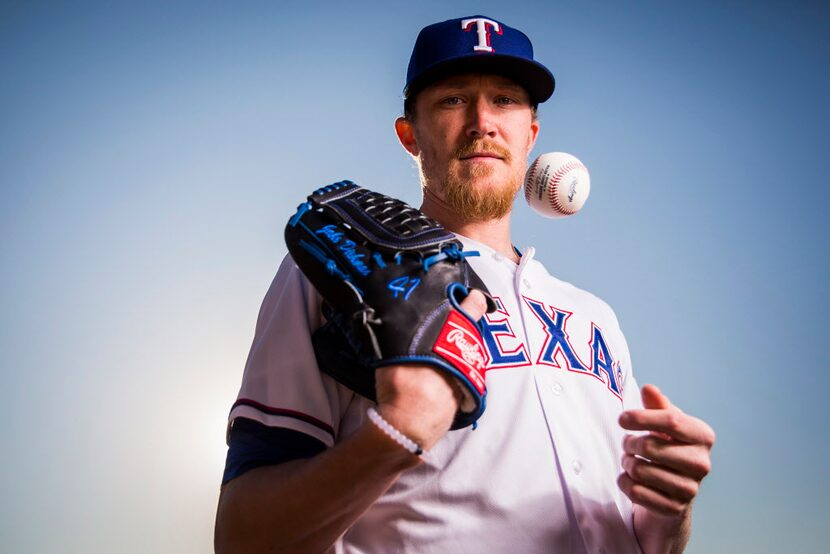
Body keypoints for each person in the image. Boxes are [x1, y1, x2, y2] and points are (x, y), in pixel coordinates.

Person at [214, 15, 715, 554]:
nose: (483, 122)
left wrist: (670, 508)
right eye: (453, 100)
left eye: (504, 100)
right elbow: (245, 537)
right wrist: (395, 436)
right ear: (410, 135)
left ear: (532, 134)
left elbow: (642, 541)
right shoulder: (336, 274)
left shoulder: (595, 317)